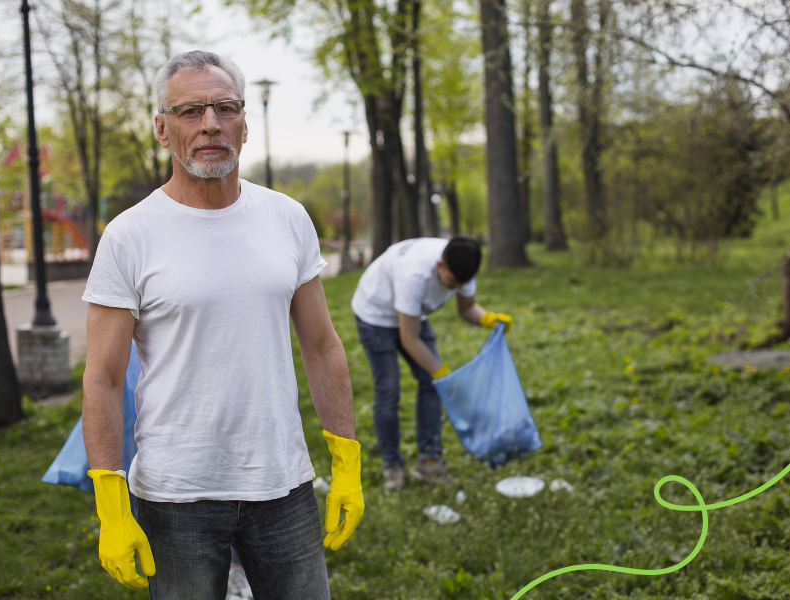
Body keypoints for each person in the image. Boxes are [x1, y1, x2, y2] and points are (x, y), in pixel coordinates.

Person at [81, 50, 364, 600]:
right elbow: (103, 377)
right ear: (162, 129)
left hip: (283, 485)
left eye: (224, 108)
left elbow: (323, 346)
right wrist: (111, 504)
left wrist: (346, 458)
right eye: (190, 111)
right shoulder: (129, 235)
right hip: (176, 497)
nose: (210, 124)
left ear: (244, 124)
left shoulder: (287, 217)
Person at [351, 236, 512, 491]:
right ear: (440, 265)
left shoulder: (462, 265)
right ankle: (392, 466)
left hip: (412, 315)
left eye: (462, 283)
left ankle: (429, 463)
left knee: (433, 384)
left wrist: (487, 319)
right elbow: (409, 338)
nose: (456, 287)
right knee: (389, 389)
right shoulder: (415, 274)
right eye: (451, 282)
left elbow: (466, 306)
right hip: (376, 315)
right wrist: (439, 371)